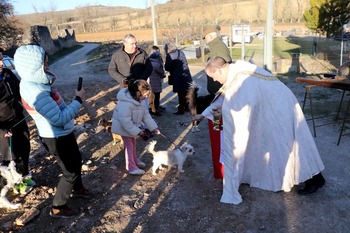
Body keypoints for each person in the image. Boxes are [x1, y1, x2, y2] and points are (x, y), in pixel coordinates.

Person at [194, 56, 326, 204]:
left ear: (218, 70)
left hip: (280, 109)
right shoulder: (237, 71)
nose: (215, 81)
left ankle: (315, 180)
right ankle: (292, 178)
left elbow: (234, 107)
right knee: (279, 146)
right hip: (276, 106)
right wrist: (204, 114)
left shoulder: (240, 78)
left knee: (289, 144)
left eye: (213, 77)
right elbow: (226, 98)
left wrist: (215, 112)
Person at [14, 44, 91, 218]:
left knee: (76, 160)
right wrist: (78, 100)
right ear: (32, 66)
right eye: (44, 64)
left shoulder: (34, 82)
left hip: (63, 133)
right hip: (55, 137)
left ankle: (77, 189)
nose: (48, 67)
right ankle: (58, 207)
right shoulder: (36, 91)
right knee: (69, 172)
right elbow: (59, 118)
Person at [201, 25, 233, 179]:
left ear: (210, 36)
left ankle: (222, 169)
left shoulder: (218, 49)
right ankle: (220, 168)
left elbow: (224, 73)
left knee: (218, 132)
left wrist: (219, 94)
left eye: (205, 38)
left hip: (220, 97)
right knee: (217, 129)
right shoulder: (216, 48)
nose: (205, 41)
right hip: (217, 97)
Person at [0, 52, 35, 194]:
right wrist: (1, 129)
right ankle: (9, 184)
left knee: (24, 147)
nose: (1, 63)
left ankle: (24, 177)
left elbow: (22, 91)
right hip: (3, 125)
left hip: (18, 119)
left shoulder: (8, 74)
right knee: (8, 155)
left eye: (1, 59)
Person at [111, 79, 160, 175]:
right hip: (124, 128)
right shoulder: (126, 104)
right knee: (129, 146)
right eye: (146, 95)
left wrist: (153, 128)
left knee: (133, 144)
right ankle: (131, 167)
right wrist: (139, 132)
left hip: (131, 128)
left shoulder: (139, 100)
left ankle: (134, 160)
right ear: (138, 93)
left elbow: (146, 115)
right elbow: (125, 122)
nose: (147, 97)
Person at [164, 42, 193, 115]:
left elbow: (167, 67)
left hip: (177, 77)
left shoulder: (169, 55)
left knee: (180, 94)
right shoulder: (181, 52)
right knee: (186, 92)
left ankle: (181, 109)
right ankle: (187, 107)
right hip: (186, 75)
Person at [147, 45, 165, 116]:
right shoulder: (155, 62)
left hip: (154, 80)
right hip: (155, 80)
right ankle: (154, 109)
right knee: (155, 95)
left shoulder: (149, 60)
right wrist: (163, 75)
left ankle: (154, 107)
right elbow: (160, 71)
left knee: (152, 95)